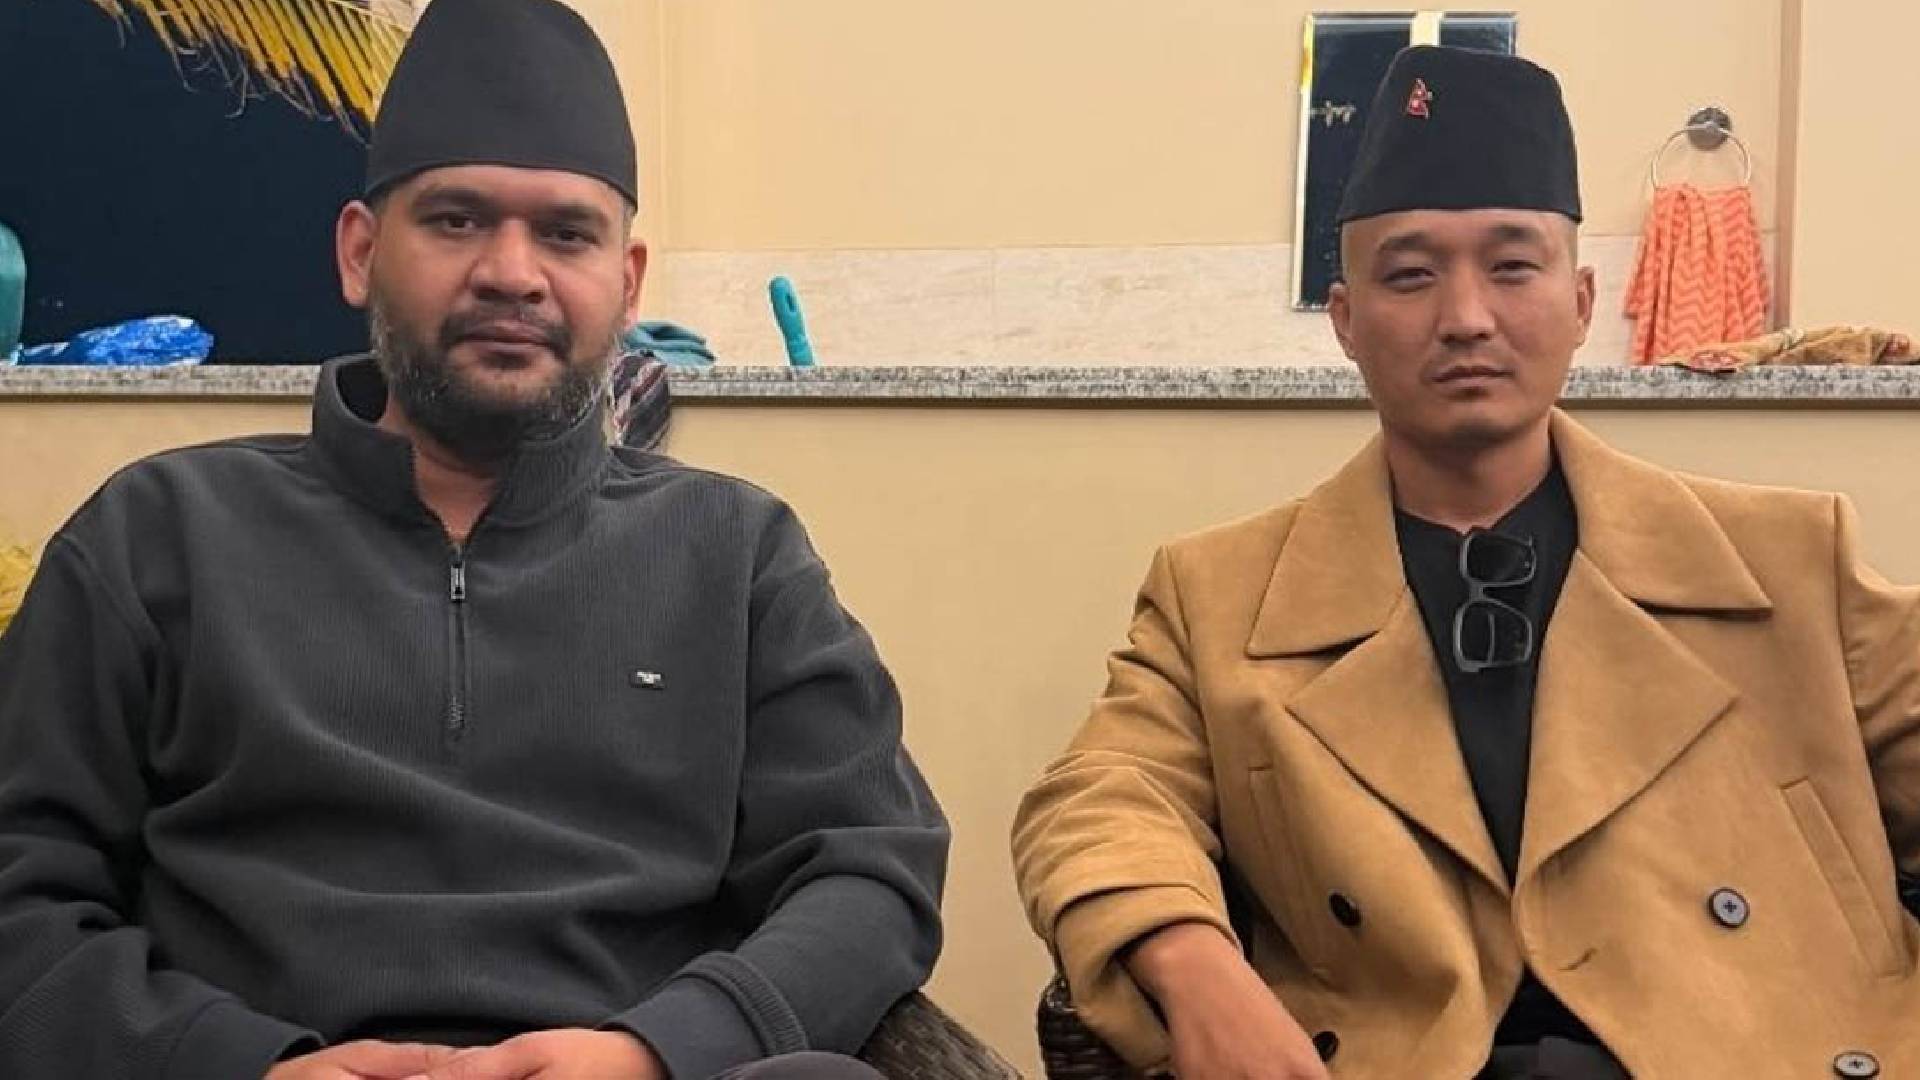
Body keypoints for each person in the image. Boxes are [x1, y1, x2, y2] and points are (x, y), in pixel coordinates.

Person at [0, 2, 947, 1078]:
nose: (512, 271)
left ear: (627, 284)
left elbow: (870, 870)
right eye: (456, 220)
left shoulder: (736, 555)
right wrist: (230, 1061)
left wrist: (661, 1049)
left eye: (566, 233)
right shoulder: (159, 535)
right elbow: (20, 888)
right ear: (360, 253)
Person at [1012, 46, 1920, 1079]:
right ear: (1346, 322)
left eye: (1513, 266)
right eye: (1410, 275)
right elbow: (1096, 795)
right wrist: (1189, 960)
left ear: (1581, 301)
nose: (1467, 318)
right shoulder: (1217, 594)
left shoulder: (1790, 561)